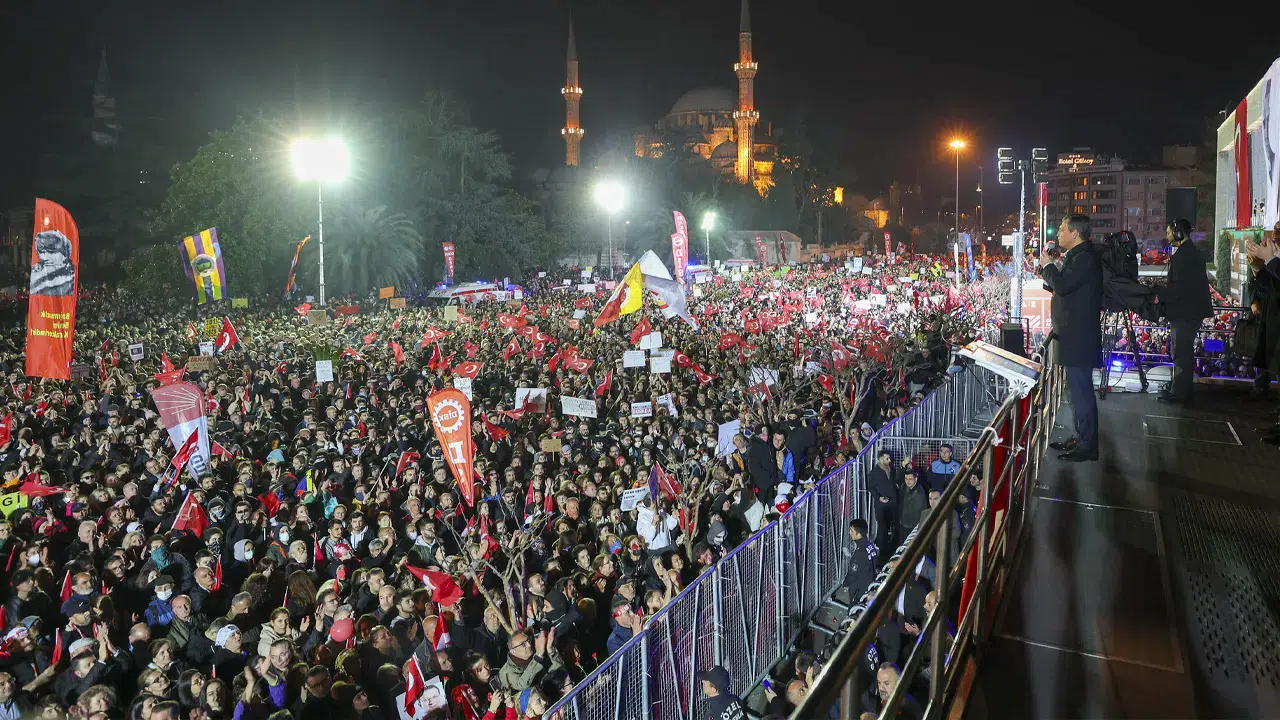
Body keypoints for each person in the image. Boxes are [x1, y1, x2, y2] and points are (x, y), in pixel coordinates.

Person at [1042, 214, 1103, 462]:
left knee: (1082, 394)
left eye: (1062, 230)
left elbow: (1065, 286)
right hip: (1073, 336)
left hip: (1079, 337)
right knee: (1077, 394)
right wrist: (1050, 274)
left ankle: (1087, 446)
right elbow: (1064, 287)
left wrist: (1048, 267)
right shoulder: (1078, 257)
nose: (1058, 235)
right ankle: (1081, 437)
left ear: (1075, 233)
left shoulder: (1085, 258)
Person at [1155, 218, 1212, 404]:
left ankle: (1179, 393)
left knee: (1181, 353)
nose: (1167, 235)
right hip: (1190, 312)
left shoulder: (1183, 256)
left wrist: (1159, 294)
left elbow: (1179, 289)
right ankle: (1182, 390)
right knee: (1183, 352)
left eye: (1169, 231)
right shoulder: (1190, 253)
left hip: (1185, 313)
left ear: (1178, 233)